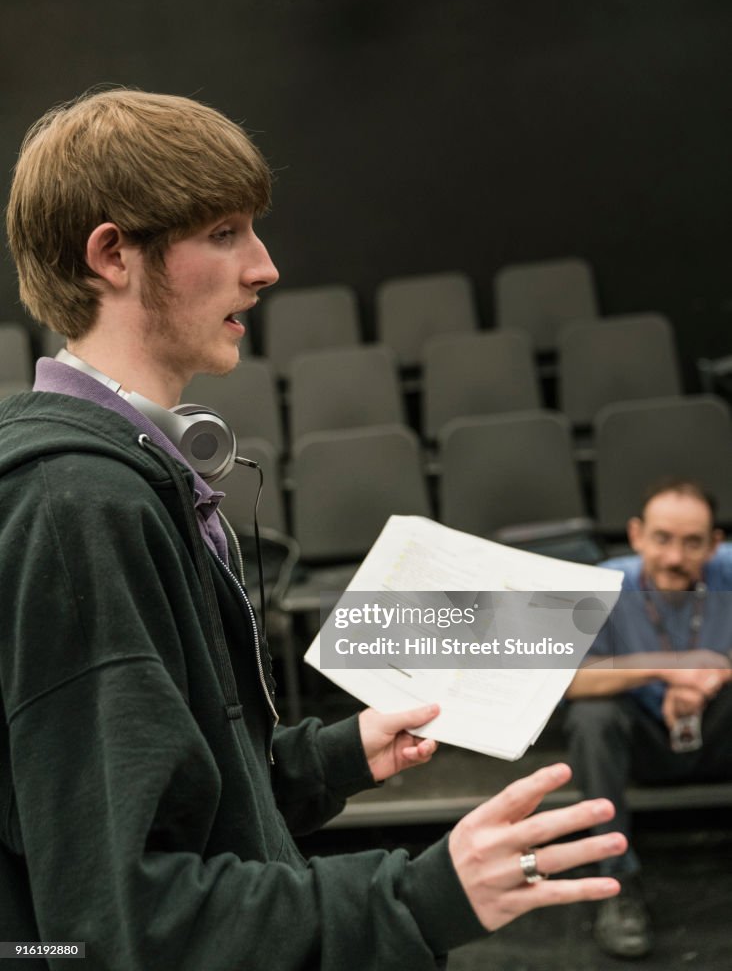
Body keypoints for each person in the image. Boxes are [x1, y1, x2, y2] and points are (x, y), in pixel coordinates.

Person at [1, 88, 625, 970]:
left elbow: (178, 804)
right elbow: (122, 922)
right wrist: (419, 898)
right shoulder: (76, 506)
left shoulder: (110, 481)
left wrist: (331, 758)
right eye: (224, 233)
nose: (264, 267)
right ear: (112, 254)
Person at [565, 478, 732, 959]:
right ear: (637, 535)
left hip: (717, 734)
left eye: (692, 542)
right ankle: (616, 879)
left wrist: (710, 678)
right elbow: (567, 682)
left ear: (714, 543)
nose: (675, 557)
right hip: (640, 745)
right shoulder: (604, 583)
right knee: (592, 715)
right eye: (662, 538)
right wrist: (667, 668)